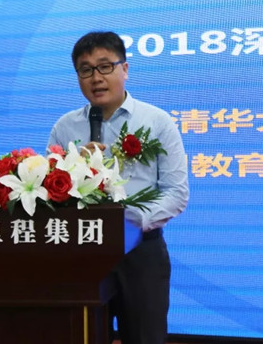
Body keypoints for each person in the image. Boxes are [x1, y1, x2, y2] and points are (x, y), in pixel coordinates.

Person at [46, 31, 189, 344]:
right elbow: (49, 194)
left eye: (105, 66)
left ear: (125, 69)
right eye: (86, 70)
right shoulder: (65, 127)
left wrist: (131, 220)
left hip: (141, 252)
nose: (96, 78)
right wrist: (74, 169)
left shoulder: (157, 121)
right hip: (81, 253)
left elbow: (176, 193)